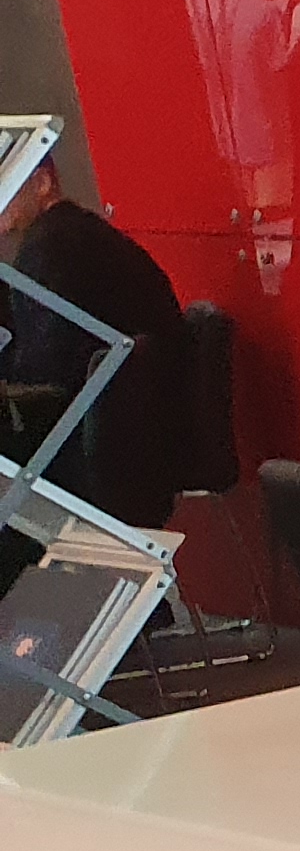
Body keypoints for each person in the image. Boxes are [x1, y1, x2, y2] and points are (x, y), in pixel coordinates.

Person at [0, 160, 189, 590]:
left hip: (104, 453)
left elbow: (44, 374)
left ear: (43, 182)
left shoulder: (49, 251)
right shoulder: (83, 237)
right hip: (145, 441)